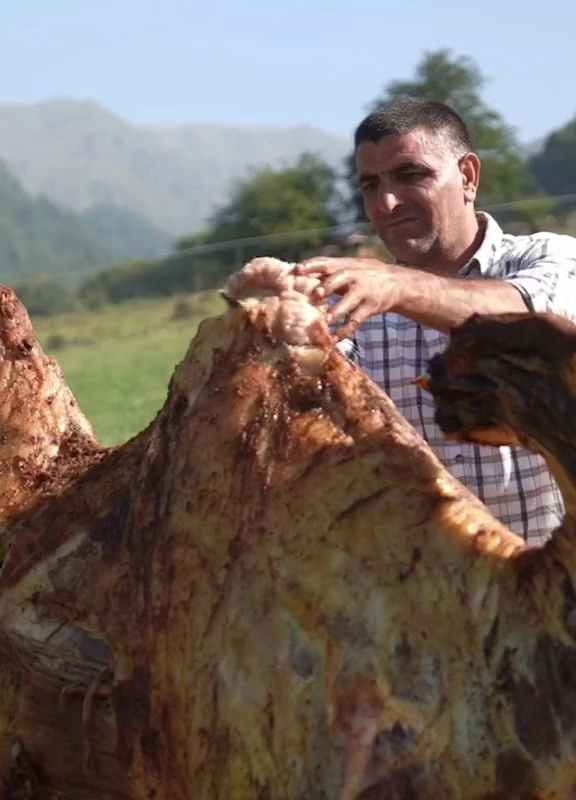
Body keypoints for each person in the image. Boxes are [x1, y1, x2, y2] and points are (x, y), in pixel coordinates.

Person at [294, 96, 576, 546]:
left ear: (467, 176)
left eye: (411, 175)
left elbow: (533, 318)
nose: (386, 202)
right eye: (370, 185)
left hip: (558, 581)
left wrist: (397, 286)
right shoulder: (352, 311)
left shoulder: (550, 256)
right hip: (436, 597)